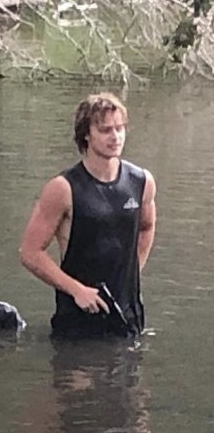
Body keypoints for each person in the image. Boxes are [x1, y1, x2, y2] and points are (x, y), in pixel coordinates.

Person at [19, 92, 157, 338]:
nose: (115, 137)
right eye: (105, 130)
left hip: (128, 315)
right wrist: (76, 290)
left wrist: (133, 271)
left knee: (129, 372)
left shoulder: (142, 181)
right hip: (78, 318)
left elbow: (146, 227)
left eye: (119, 128)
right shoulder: (62, 188)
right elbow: (30, 253)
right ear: (86, 134)